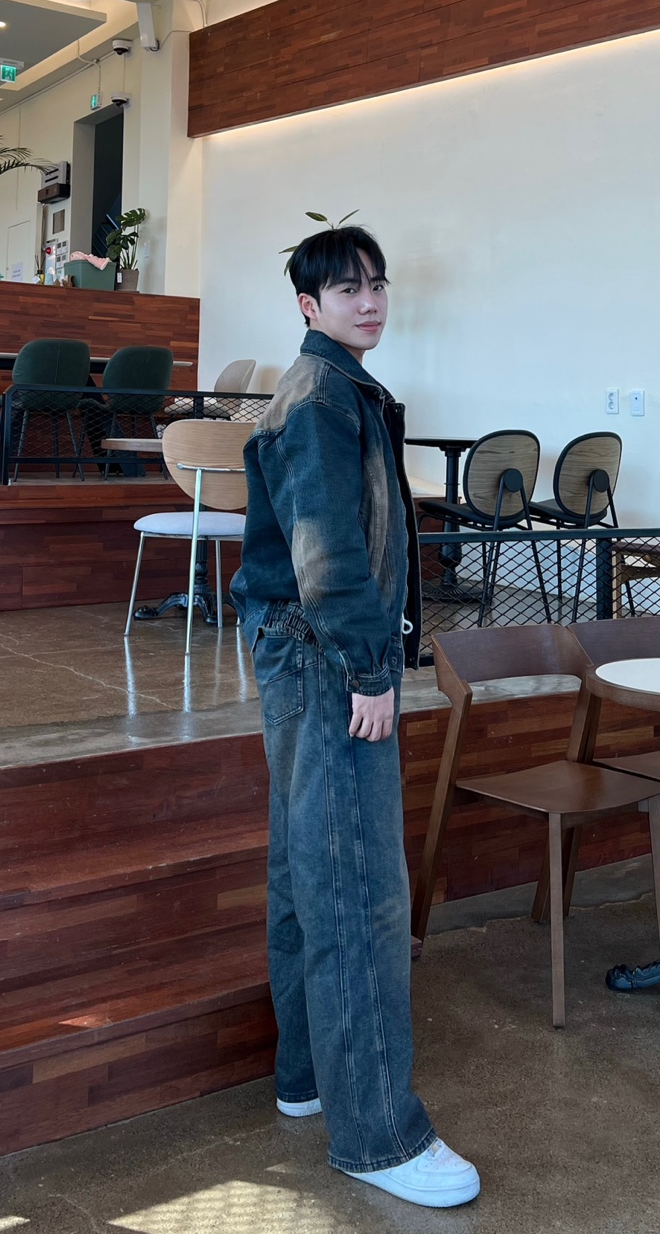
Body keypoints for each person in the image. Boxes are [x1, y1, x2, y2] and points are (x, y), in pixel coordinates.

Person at [230, 225, 480, 1209]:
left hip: (305, 653)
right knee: (359, 892)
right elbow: (328, 552)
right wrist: (372, 670)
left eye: (375, 284)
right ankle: (378, 1135)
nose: (368, 301)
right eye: (346, 289)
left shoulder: (330, 388)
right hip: (328, 658)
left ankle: (306, 1076)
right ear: (308, 305)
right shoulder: (322, 399)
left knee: (306, 867)